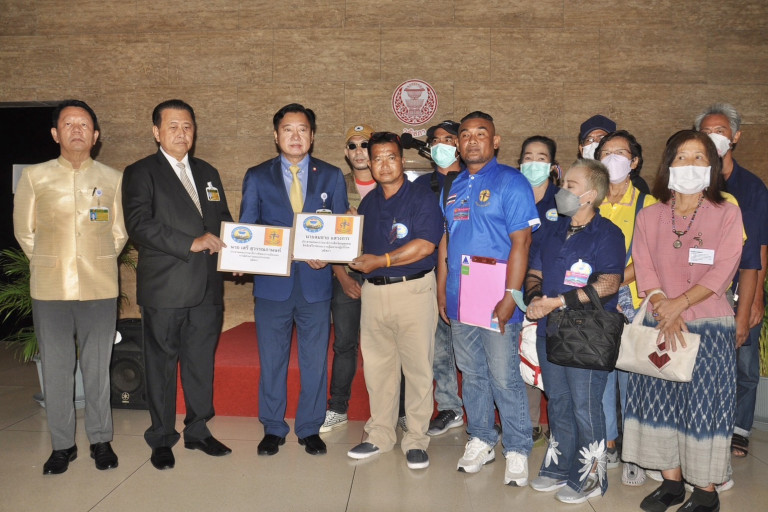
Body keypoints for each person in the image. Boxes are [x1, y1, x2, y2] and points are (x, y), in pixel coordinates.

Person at [623, 130, 743, 512]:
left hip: (708, 326)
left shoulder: (727, 212)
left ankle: (705, 492)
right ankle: (672, 484)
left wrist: (680, 305)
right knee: (660, 402)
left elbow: (725, 268)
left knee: (702, 408)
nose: (689, 164)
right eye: (681, 157)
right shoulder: (649, 215)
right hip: (660, 323)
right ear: (668, 164)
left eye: (698, 157)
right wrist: (664, 306)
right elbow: (644, 265)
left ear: (711, 166)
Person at [13, 99, 128, 475]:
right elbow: (24, 231)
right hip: (50, 288)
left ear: (96, 135)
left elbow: (119, 232)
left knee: (97, 368)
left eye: (84, 124)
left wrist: (95, 260)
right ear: (54, 133)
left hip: (100, 286)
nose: (77, 129)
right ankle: (62, 445)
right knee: (57, 369)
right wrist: (51, 261)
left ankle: (101, 440)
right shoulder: (35, 177)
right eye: (68, 124)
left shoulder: (113, 178)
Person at [122, 99, 234, 470]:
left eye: (187, 126)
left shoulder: (207, 172)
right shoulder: (141, 172)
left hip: (208, 288)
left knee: (200, 362)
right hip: (165, 287)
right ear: (156, 132)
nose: (181, 133)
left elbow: (223, 221)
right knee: (162, 366)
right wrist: (191, 243)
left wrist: (237, 255)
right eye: (173, 126)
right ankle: (161, 437)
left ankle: (198, 430)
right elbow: (139, 224)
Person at [240, 103, 348, 457]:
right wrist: (247, 256)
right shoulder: (257, 176)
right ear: (276, 136)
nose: (296, 136)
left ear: (312, 136)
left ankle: (309, 427)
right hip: (273, 284)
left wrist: (329, 254)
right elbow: (248, 227)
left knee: (315, 360)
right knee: (272, 359)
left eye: (302, 129)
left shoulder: (331, 175)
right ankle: (273, 427)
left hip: (316, 283)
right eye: (288, 129)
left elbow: (341, 231)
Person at [438, 111, 540, 487]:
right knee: (472, 373)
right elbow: (446, 240)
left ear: (495, 141)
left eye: (481, 134)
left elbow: (522, 242)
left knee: (504, 375)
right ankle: (481, 437)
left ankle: (517, 447)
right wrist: (441, 289)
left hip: (498, 295)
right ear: (458, 144)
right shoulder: (452, 185)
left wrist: (512, 295)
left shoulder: (511, 182)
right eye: (465, 134)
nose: (472, 140)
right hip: (460, 297)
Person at [525, 159, 625, 504]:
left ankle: (591, 474)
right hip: (549, 330)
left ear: (591, 195)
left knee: (585, 404)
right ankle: (560, 466)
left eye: (570, 185)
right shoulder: (553, 229)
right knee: (559, 401)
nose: (562, 190)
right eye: (563, 183)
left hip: (587, 334)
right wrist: (535, 299)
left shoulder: (608, 233)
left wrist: (557, 302)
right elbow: (534, 273)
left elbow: (609, 283)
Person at [345, 131, 443, 469]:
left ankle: (415, 439)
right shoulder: (369, 203)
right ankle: (380, 435)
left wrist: (382, 261)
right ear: (369, 164)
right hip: (374, 293)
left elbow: (426, 245)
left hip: (412, 290)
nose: (384, 165)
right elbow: (360, 247)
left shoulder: (421, 197)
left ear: (402, 160)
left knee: (417, 370)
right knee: (378, 370)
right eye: (377, 159)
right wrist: (345, 233)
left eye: (391, 157)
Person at [695, 103, 768, 461]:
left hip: (743, 283)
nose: (713, 137)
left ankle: (739, 429)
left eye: (720, 131)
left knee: (744, 362)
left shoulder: (752, 187)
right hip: (700, 288)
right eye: (706, 131)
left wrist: (755, 299)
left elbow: (760, 246)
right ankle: (706, 423)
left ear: (735, 137)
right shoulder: (691, 183)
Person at [594, 130, 657, 483]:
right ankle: (609, 444)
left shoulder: (648, 204)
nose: (612, 158)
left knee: (632, 379)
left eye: (620, 153)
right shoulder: (590, 199)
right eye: (606, 152)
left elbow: (650, 257)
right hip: (594, 303)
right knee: (601, 376)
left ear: (634, 161)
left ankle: (635, 450)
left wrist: (613, 284)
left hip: (632, 302)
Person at [322, 123, 376, 433]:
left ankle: (396, 411)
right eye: (353, 145)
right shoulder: (335, 185)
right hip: (346, 277)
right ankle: (338, 407)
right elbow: (326, 237)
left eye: (364, 144)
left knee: (386, 346)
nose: (359, 151)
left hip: (383, 278)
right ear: (346, 152)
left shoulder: (390, 181)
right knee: (344, 344)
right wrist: (342, 276)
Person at [414, 120, 465, 437]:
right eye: (436, 141)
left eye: (449, 139)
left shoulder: (476, 180)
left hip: (471, 273)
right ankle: (449, 406)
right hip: (430, 272)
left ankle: (483, 409)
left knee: (473, 347)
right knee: (440, 346)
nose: (442, 145)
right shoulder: (420, 186)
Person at [517, 135, 560, 442]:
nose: (534, 163)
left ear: (553, 166)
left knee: (553, 357)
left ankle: (559, 424)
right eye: (528, 157)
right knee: (523, 355)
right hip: (514, 288)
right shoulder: (511, 196)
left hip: (553, 291)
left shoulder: (563, 200)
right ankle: (529, 422)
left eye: (541, 158)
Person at [578, 115, 649, 193]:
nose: (595, 144)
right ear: (581, 149)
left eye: (601, 138)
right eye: (589, 140)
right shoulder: (575, 182)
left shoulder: (635, 184)